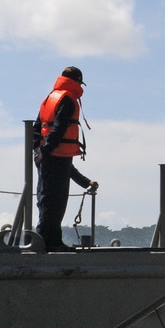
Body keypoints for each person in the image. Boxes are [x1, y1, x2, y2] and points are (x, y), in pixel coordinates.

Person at [33, 66, 98, 252]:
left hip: (47, 157)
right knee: (56, 201)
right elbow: (59, 130)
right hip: (54, 154)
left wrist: (39, 150)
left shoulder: (49, 98)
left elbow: (37, 127)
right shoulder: (68, 100)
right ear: (76, 81)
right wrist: (47, 150)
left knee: (45, 198)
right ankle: (51, 242)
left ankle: (45, 239)